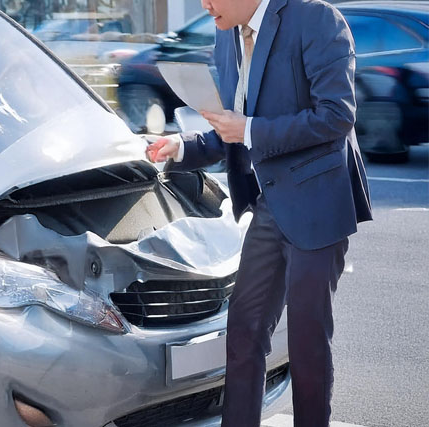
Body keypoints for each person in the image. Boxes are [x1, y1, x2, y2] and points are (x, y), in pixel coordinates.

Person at [146, 0, 372, 425]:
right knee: (244, 333)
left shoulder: (317, 19)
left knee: (307, 344)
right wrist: (184, 147)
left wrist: (249, 130)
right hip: (269, 207)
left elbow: (337, 116)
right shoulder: (225, 32)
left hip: (318, 203)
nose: (203, 4)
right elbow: (229, 125)